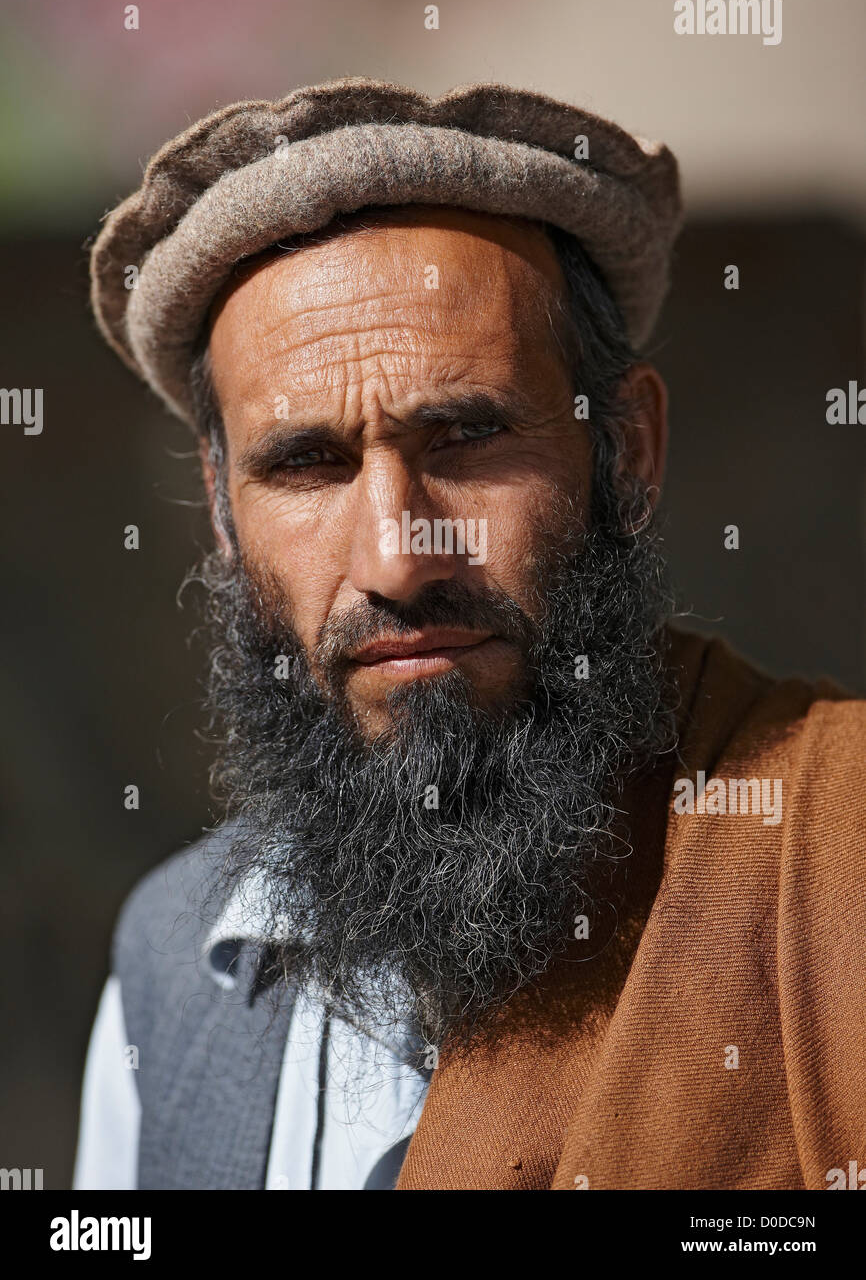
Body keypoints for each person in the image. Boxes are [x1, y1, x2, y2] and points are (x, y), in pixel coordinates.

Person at [75, 77, 866, 1191]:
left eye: (467, 437)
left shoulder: (838, 854)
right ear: (219, 510)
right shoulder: (173, 973)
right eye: (306, 465)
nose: (396, 560)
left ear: (626, 452)